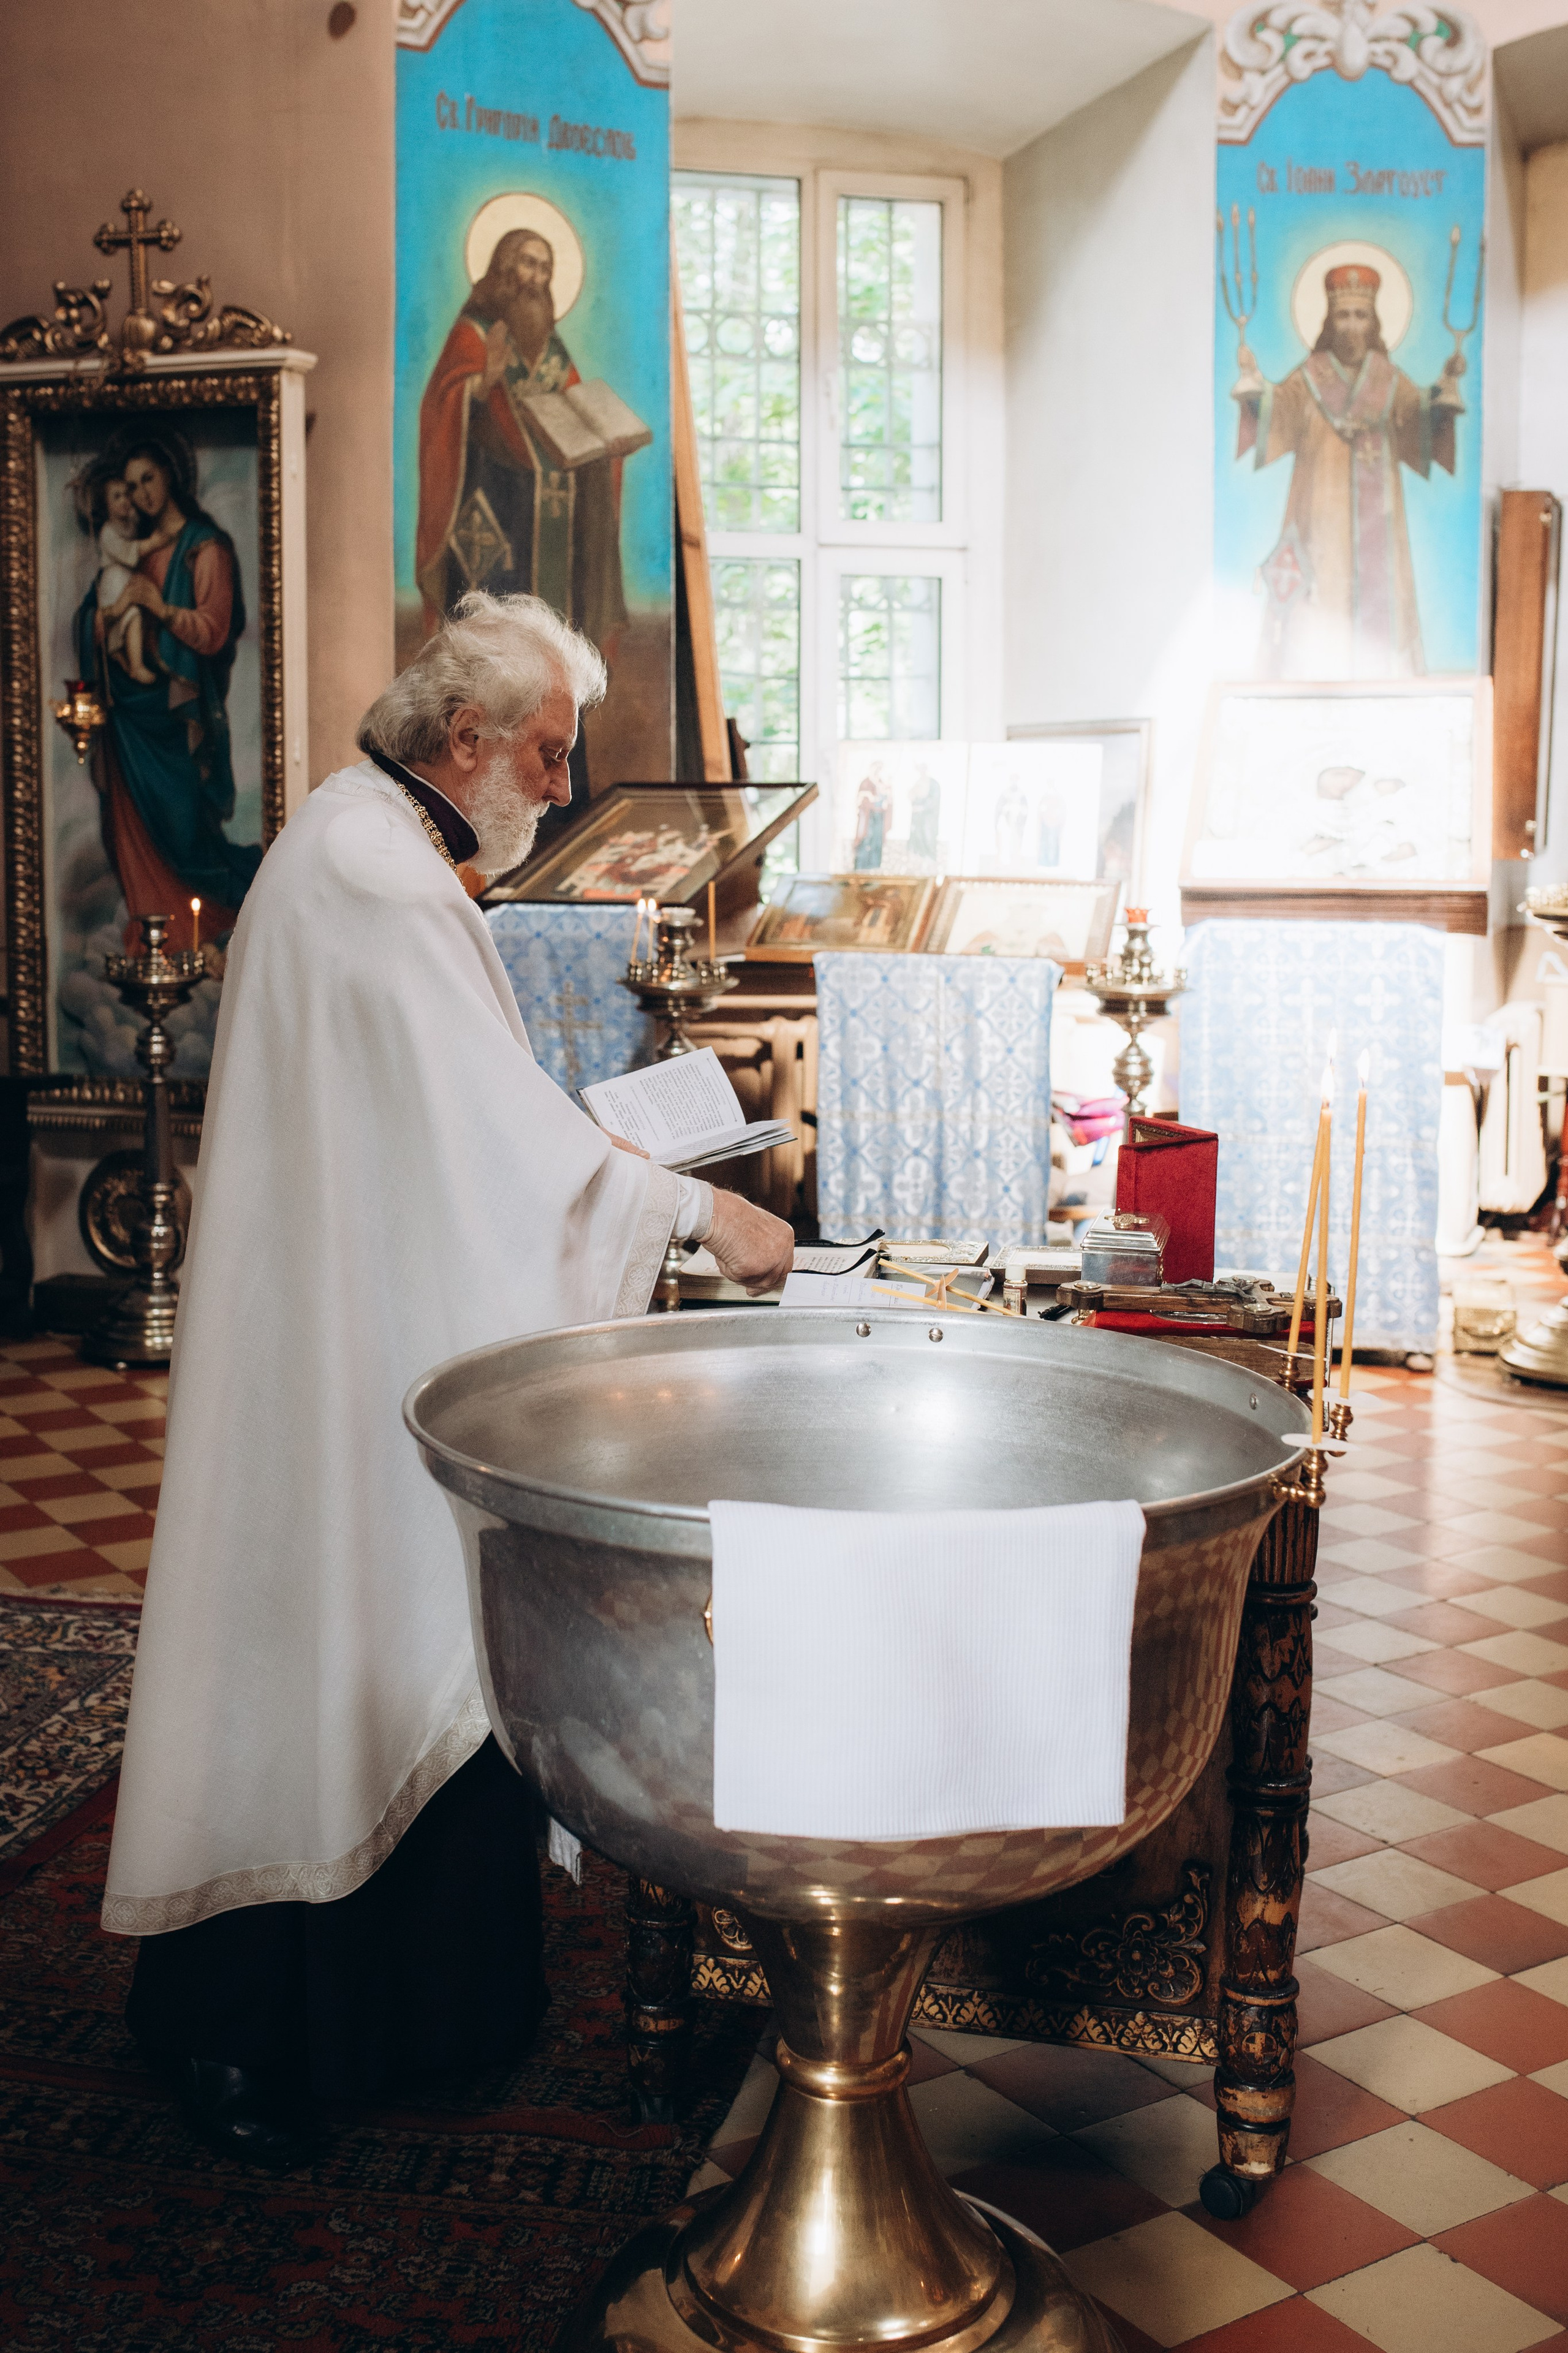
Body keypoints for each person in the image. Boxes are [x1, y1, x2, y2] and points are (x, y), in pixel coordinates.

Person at [102, 591, 795, 2170]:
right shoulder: (369, 866)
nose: (560, 788)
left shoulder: (372, 845)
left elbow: (461, 1124)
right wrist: (695, 1205)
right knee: (333, 1652)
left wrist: (604, 1167)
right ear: (465, 737)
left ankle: (394, 2016)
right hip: (337, 1349)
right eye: (549, 754)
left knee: (360, 1642)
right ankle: (252, 2031)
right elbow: (495, 1140)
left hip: (348, 1317)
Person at [1232, 262, 1464, 679]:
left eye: (1360, 315)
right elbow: (1276, 415)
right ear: (1329, 319)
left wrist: (1443, 397)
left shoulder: (1390, 381)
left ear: (1373, 321)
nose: (1352, 326)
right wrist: (1253, 387)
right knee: (1317, 612)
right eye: (1343, 315)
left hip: (1380, 527)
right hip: (1318, 522)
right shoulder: (1308, 380)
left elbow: (1419, 429)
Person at [77, 431, 261, 950]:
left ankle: (215, 921)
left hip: (177, 719)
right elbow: (94, 616)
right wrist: (100, 619)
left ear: (171, 475)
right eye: (131, 486)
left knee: (182, 831)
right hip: (126, 717)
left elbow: (213, 630)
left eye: (148, 479)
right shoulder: (130, 551)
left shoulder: (205, 549)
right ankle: (154, 930)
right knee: (127, 826)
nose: (140, 495)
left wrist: (155, 607)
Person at [416, 229, 627, 646]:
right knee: (492, 631)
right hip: (494, 500)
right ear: (504, 266)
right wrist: (482, 381)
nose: (537, 277)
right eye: (529, 263)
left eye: (546, 268)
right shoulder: (473, 332)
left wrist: (605, 446)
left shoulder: (551, 347)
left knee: (552, 634)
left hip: (551, 511)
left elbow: (577, 413)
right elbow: (443, 403)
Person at [94, 476, 156, 685]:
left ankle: (120, 654)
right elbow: (130, 552)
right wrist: (155, 541)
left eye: (127, 495)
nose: (124, 501)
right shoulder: (107, 532)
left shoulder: (131, 521)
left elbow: (141, 518)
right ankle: (137, 667)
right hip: (114, 583)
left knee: (137, 615)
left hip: (127, 578)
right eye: (117, 497)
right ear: (107, 506)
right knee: (132, 614)